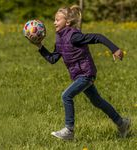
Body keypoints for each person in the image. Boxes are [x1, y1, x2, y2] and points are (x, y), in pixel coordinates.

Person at [30, 5, 130, 140]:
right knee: (97, 101)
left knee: (66, 96)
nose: (54, 22)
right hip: (79, 75)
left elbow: (98, 37)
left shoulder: (74, 36)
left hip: (86, 73)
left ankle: (69, 130)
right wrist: (40, 46)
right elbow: (53, 59)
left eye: (57, 20)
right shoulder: (59, 39)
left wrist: (115, 49)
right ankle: (122, 123)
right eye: (54, 20)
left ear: (67, 22)